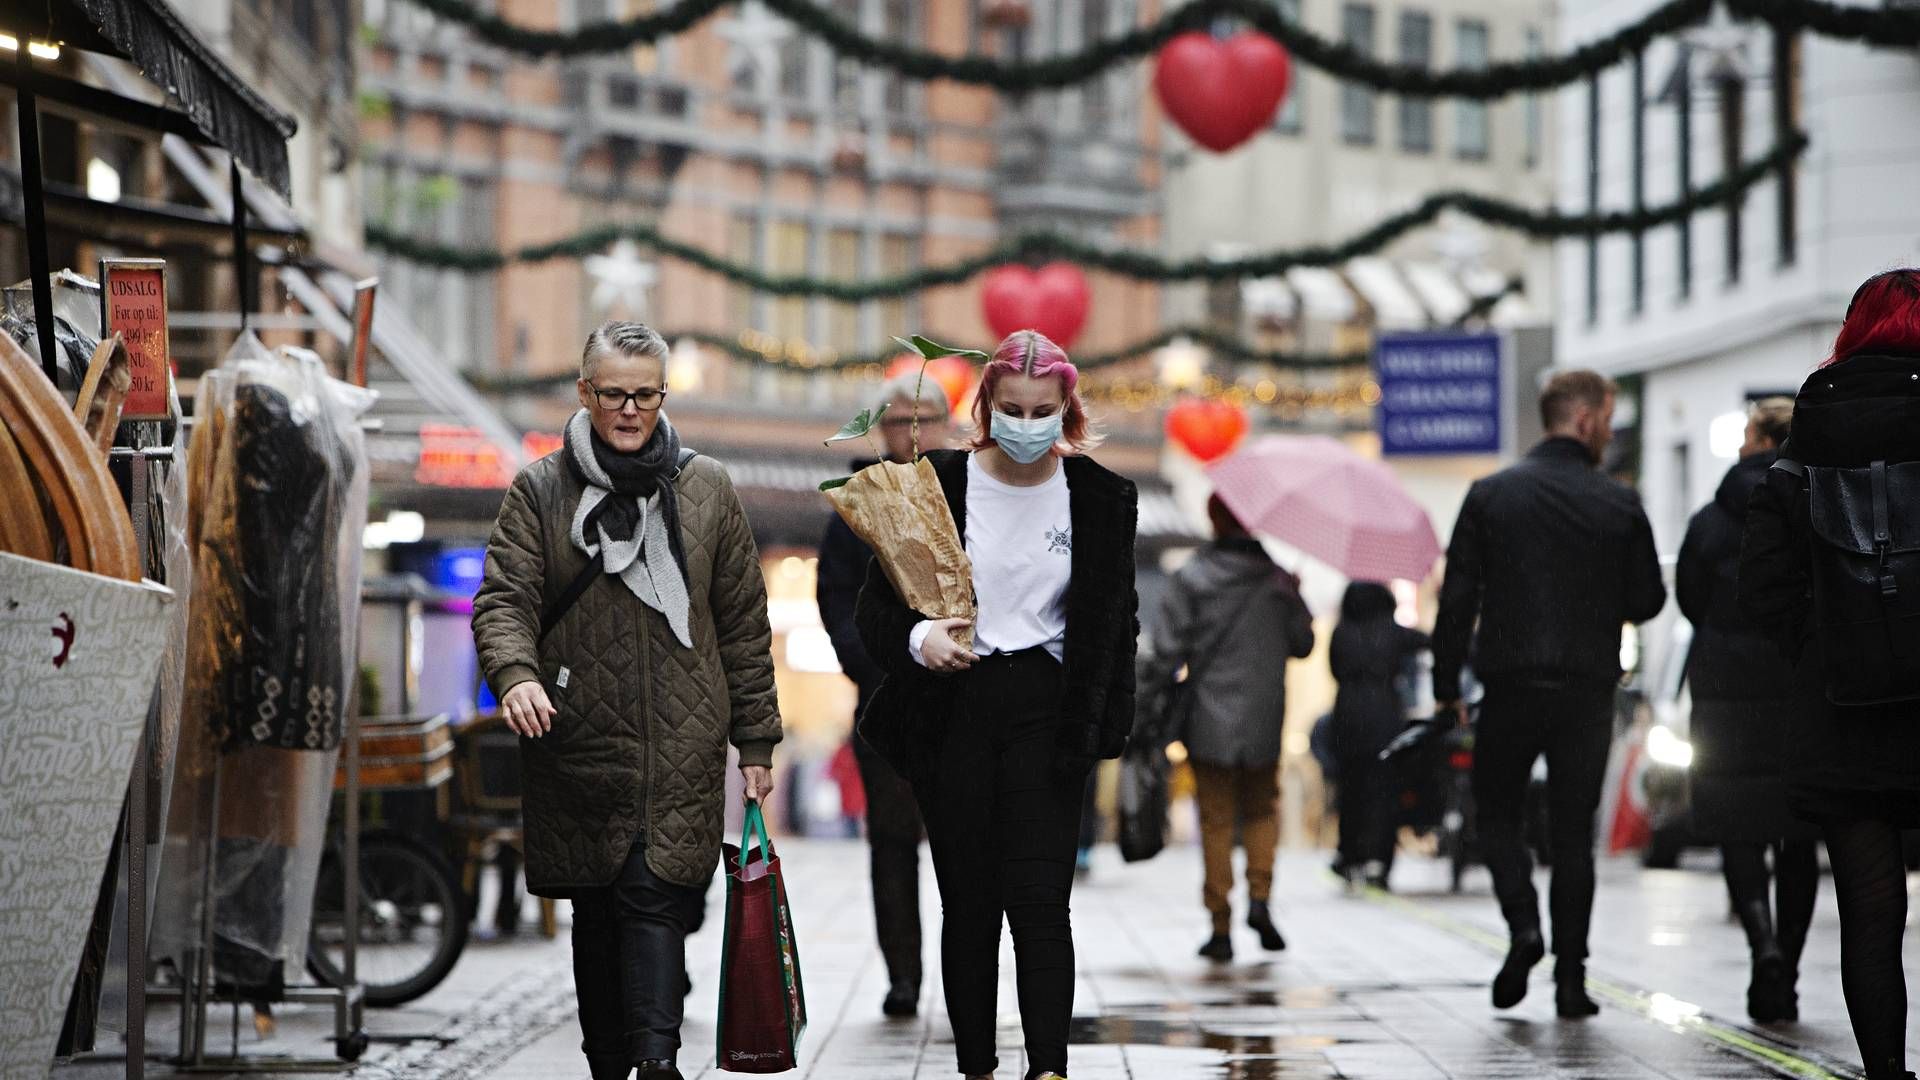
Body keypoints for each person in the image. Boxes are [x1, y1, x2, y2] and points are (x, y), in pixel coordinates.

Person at [472, 322, 782, 1080]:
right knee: (597, 908)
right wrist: (515, 675)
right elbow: (504, 598)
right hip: (577, 742)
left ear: (664, 396)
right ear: (584, 393)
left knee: (653, 897)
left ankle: (656, 1060)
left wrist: (758, 743)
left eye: (645, 394)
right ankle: (611, 1062)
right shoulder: (540, 490)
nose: (630, 410)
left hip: (682, 744)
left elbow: (743, 622)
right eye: (614, 394)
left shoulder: (704, 488)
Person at [855, 329, 1138, 1080]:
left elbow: (1119, 621)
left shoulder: (1104, 498)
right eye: (1010, 407)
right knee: (971, 907)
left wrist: (1108, 727)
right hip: (957, 706)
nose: (1024, 422)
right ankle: (975, 1066)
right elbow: (875, 611)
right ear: (986, 405)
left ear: (1066, 409)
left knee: (1042, 904)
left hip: (1050, 710)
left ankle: (1048, 1067)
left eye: (1041, 409)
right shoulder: (937, 484)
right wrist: (922, 640)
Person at [1431, 369, 1666, 1019]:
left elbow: (1457, 600)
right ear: (1586, 419)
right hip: (1586, 690)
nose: (1611, 433)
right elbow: (1648, 598)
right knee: (1571, 837)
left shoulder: (1490, 495)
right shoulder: (1618, 502)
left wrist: (1446, 685)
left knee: (1497, 815)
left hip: (1509, 685)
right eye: (1609, 419)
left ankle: (1523, 926)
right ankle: (1571, 980)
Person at [1740, 269, 1920, 1080]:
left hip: (1845, 710)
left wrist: (1825, 645)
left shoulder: (1805, 435)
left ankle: (1886, 1072)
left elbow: (1764, 583)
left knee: (1870, 910)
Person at [1676, 396, 1818, 1024]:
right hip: (1797, 682)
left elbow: (1688, 598)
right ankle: (1785, 962)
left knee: (1739, 824)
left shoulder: (1710, 519)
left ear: (1757, 439)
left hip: (1726, 689)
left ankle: (1760, 942)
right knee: (1798, 832)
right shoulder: (1816, 501)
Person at [816, 372, 952, 1019]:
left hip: (963, 700)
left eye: (927, 418)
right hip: (886, 702)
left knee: (967, 847)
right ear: (881, 430)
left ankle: (965, 975)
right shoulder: (854, 505)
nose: (915, 431)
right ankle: (903, 974)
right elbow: (836, 598)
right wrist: (869, 667)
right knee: (893, 845)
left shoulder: (973, 492)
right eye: (902, 419)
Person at [1143, 495, 1314, 962]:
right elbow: (1303, 645)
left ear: (1214, 521)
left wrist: (1148, 697)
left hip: (1206, 716)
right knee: (1262, 810)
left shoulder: (1192, 577)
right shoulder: (1278, 580)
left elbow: (1166, 652)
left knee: (1216, 818)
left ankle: (1220, 926)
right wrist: (1295, 596)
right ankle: (1260, 898)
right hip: (1264, 716)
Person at [1329, 582, 1429, 891]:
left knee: (1351, 789)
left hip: (1347, 716)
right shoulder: (1393, 631)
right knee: (1383, 791)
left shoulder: (1341, 634)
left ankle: (1349, 854)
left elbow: (1333, 669)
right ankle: (1378, 857)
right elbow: (1427, 641)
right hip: (1385, 715)